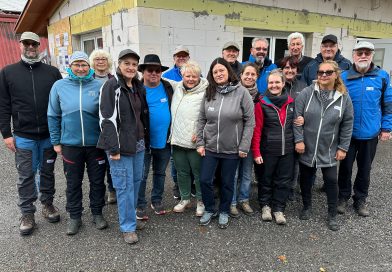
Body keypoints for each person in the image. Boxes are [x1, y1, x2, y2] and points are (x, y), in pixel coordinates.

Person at [0, 31, 62, 235]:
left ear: (38, 46)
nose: (31, 47)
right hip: (24, 136)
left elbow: (61, 103)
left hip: (48, 135)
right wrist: (6, 134)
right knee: (26, 176)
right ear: (20, 45)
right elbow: (4, 105)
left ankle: (48, 204)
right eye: (27, 43)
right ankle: (27, 213)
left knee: (47, 172)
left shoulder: (52, 72)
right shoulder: (8, 72)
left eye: (34, 44)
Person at [48, 51, 107, 235]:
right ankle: (75, 216)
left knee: (97, 182)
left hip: (96, 144)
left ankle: (97, 213)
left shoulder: (99, 85)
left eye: (84, 65)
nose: (80, 68)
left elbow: (107, 116)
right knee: (73, 182)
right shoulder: (59, 86)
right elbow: (53, 114)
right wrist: (56, 141)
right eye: (77, 65)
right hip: (70, 145)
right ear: (70, 67)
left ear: (89, 67)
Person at [294, 60, 354, 231]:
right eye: (321, 72)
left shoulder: (343, 97)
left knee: (331, 181)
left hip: (329, 149)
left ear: (336, 75)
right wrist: (298, 140)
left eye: (328, 72)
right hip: (307, 147)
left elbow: (348, 123)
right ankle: (307, 207)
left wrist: (343, 147)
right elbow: (296, 119)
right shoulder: (307, 93)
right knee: (305, 180)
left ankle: (332, 214)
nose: (324, 75)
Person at [97, 49, 149, 244]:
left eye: (134, 64)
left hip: (139, 144)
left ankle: (131, 219)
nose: (131, 67)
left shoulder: (137, 86)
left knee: (136, 183)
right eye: (127, 63)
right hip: (120, 147)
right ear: (119, 65)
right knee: (124, 186)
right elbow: (106, 119)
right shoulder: (112, 87)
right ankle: (127, 227)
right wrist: (113, 149)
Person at [196, 58, 254, 229]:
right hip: (210, 147)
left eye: (221, 70)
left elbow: (250, 121)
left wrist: (244, 146)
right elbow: (201, 119)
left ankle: (224, 211)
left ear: (229, 72)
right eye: (215, 72)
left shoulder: (241, 92)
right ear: (212, 76)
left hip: (232, 149)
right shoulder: (209, 93)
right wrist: (200, 143)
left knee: (227, 182)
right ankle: (209, 209)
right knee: (205, 180)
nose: (219, 74)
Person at [337, 41, 392, 216]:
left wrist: (386, 128)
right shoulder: (344, 77)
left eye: (367, 53)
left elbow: (388, 104)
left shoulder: (382, 76)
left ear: (372, 55)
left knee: (365, 169)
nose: (363, 56)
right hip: (348, 134)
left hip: (370, 134)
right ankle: (343, 197)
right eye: (359, 53)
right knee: (345, 167)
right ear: (353, 55)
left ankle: (360, 199)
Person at [251, 69, 295, 225]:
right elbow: (257, 130)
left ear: (283, 83)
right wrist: (256, 152)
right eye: (271, 82)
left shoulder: (291, 102)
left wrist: (301, 120)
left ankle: (278, 208)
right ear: (267, 84)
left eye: (277, 82)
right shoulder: (261, 103)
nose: (274, 85)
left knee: (283, 181)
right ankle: (265, 206)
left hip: (288, 150)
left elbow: (295, 125)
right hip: (268, 150)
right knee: (266, 179)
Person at [168, 61, 208, 216]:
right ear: (182, 76)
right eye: (187, 75)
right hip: (177, 139)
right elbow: (158, 79)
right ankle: (185, 198)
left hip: (194, 141)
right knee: (182, 172)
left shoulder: (206, 91)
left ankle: (200, 200)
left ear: (199, 76)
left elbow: (209, 116)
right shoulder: (177, 87)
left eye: (194, 76)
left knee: (198, 173)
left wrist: (201, 133)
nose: (191, 79)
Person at [137, 54, 173, 218]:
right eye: (149, 70)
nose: (154, 73)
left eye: (157, 70)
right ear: (143, 72)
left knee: (160, 173)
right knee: (141, 175)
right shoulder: (136, 89)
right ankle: (140, 204)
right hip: (143, 142)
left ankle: (156, 200)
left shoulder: (168, 87)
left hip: (164, 141)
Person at [162, 45, 193, 200]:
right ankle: (177, 185)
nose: (181, 58)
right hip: (174, 122)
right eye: (178, 55)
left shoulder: (195, 74)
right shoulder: (166, 75)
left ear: (188, 57)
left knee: (192, 156)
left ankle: (191, 184)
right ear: (173, 58)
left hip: (191, 121)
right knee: (176, 157)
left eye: (184, 55)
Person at [230, 62, 260, 217]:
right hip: (233, 140)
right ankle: (232, 202)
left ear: (257, 77)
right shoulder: (233, 93)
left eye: (252, 74)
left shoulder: (259, 96)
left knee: (247, 173)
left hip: (249, 142)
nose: (249, 77)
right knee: (233, 174)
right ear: (240, 75)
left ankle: (244, 199)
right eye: (246, 74)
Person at [89, 49, 116, 205]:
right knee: (98, 163)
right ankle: (99, 193)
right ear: (93, 62)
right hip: (94, 127)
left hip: (111, 126)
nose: (100, 61)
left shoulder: (113, 79)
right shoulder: (88, 80)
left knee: (113, 159)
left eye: (103, 59)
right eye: (97, 59)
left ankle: (113, 190)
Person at [279, 56, 307, 200]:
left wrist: (305, 118)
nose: (290, 70)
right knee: (282, 161)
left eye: (293, 68)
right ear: (282, 70)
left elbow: (310, 107)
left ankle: (291, 187)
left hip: (296, 130)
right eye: (286, 68)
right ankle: (279, 186)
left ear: (297, 70)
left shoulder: (303, 87)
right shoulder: (277, 84)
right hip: (279, 130)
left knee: (295, 161)